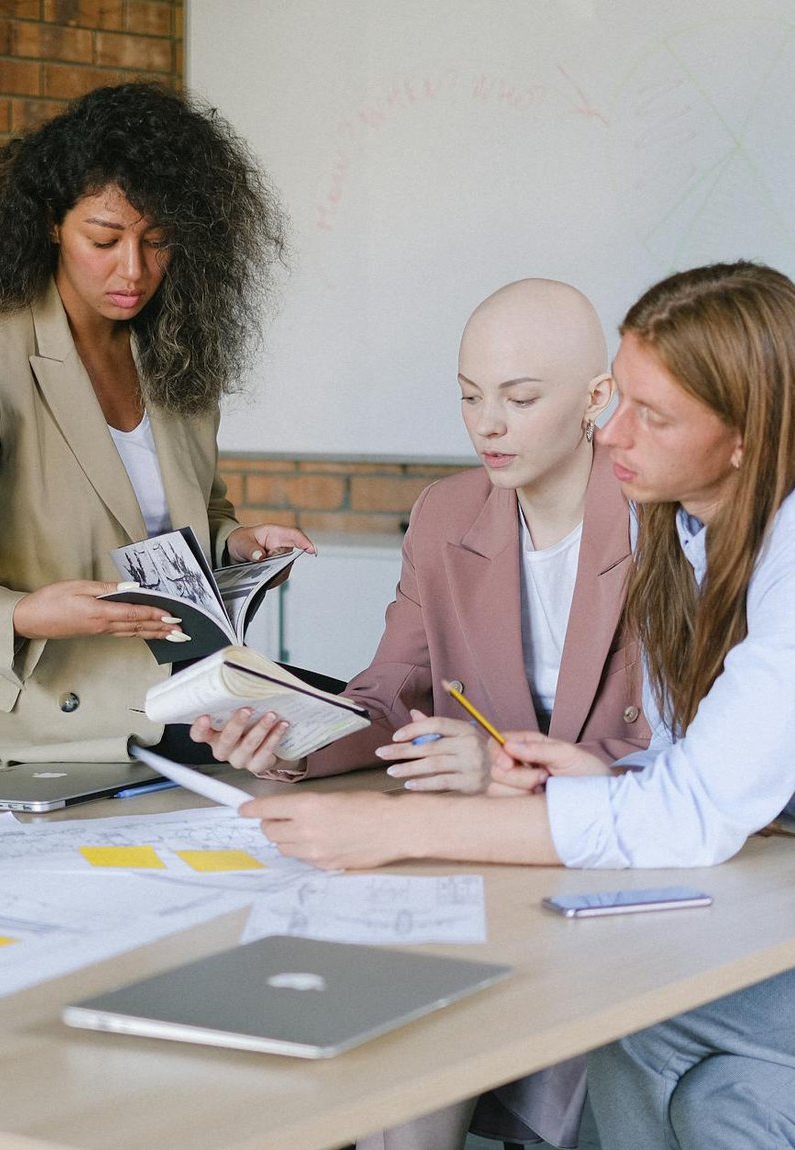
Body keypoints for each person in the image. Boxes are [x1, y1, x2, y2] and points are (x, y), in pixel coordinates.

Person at [234, 261, 795, 1148]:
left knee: (628, 1027)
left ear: (742, 439)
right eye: (470, 396)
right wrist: (601, 773)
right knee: (694, 1086)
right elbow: (700, 764)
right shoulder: (693, 530)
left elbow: (693, 808)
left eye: (648, 414)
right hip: (711, 884)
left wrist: (399, 829)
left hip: (717, 897)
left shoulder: (695, 531)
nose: (616, 436)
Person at [192, 277, 650, 1150]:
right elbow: (385, 696)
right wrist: (286, 738)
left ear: (597, 398)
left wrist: (499, 766)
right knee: (369, 1036)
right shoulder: (447, 516)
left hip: (612, 868)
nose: (489, 425)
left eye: (519, 398)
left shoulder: (661, 520)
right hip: (469, 866)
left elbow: (679, 751)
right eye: (470, 397)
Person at [0, 82, 312, 772]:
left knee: (345, 748)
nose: (134, 270)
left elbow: (195, 515)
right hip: (48, 720)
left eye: (159, 241)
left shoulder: (176, 353)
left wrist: (240, 548)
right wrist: (27, 615)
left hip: (186, 694)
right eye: (104, 239)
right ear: (52, 221)